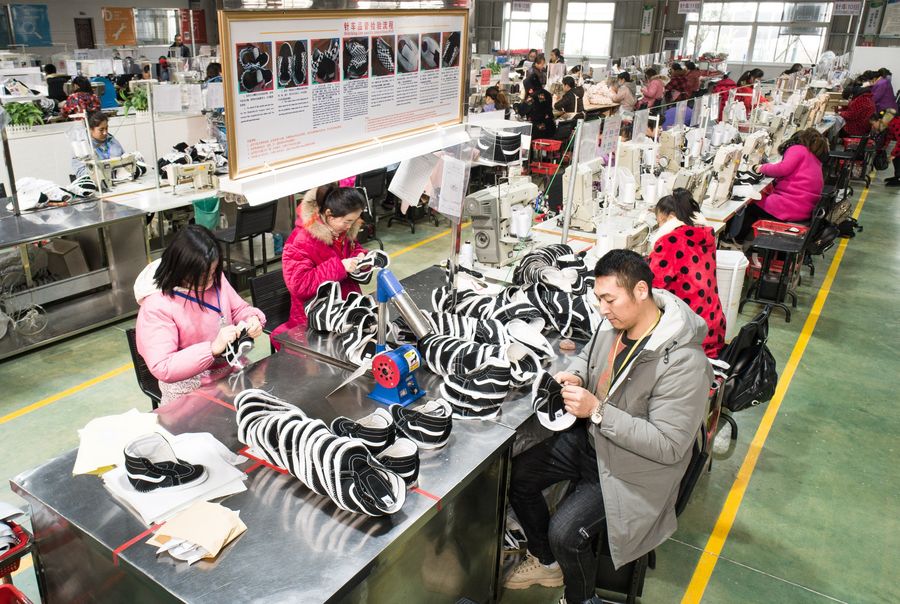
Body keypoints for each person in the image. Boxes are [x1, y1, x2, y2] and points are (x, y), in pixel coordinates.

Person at [504, 249, 712, 603]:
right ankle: (547, 562)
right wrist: (577, 375)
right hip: (594, 440)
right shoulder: (615, 322)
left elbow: (669, 445)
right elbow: (590, 356)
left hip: (636, 468)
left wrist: (598, 411)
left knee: (566, 534)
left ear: (641, 291)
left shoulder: (683, 363)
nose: (602, 309)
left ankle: (580, 598)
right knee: (519, 477)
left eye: (609, 299)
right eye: (599, 299)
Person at [135, 225, 266, 406]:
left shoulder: (215, 277)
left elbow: (237, 309)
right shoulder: (156, 305)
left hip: (231, 371)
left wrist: (251, 319)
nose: (211, 279)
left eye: (213, 271)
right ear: (181, 270)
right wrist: (212, 349)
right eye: (204, 276)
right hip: (189, 390)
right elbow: (163, 366)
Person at [273, 186, 368, 340]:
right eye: (347, 221)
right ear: (329, 215)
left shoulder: (342, 231)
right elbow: (300, 285)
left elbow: (354, 248)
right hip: (316, 320)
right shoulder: (300, 241)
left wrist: (360, 257)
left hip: (346, 310)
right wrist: (340, 267)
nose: (350, 226)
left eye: (354, 221)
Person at [649, 190, 726, 358]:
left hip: (691, 335)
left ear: (670, 218)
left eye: (659, 221)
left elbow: (652, 284)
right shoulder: (705, 235)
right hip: (713, 326)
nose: (659, 227)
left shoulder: (672, 240)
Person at [733, 128, 828, 241]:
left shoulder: (798, 149)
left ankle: (737, 239)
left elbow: (782, 169)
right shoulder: (815, 160)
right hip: (804, 209)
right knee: (761, 198)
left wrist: (761, 168)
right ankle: (745, 239)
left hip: (790, 207)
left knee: (749, 205)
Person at [71, 111, 126, 179]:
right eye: (101, 130)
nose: (105, 132)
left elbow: (124, 159)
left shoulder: (111, 140)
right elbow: (80, 172)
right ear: (90, 129)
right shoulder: (82, 146)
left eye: (106, 128)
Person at [515, 73, 556, 139]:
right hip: (550, 128)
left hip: (539, 131)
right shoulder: (547, 93)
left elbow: (521, 111)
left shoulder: (532, 97)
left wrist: (516, 105)